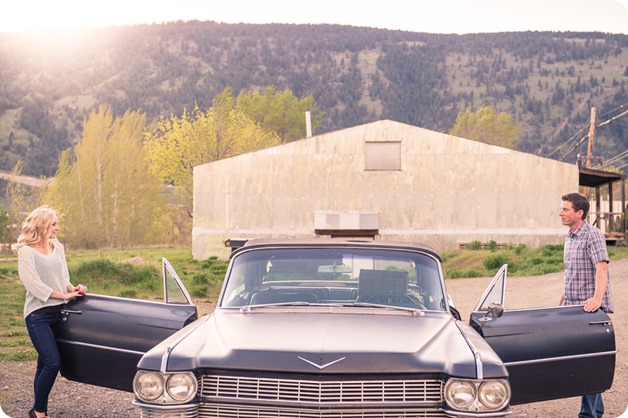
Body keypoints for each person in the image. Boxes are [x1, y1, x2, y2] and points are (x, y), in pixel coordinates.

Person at [14, 206, 87, 418]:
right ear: (42, 225)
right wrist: (63, 296)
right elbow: (33, 285)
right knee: (53, 362)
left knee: (44, 364)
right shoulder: (26, 252)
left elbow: (63, 278)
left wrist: (73, 289)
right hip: (38, 316)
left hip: (59, 315)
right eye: (54, 224)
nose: (57, 228)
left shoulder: (58, 247)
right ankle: (39, 412)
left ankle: (36, 410)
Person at [559, 192, 614, 418]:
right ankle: (595, 411)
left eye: (566, 209)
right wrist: (563, 296)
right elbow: (573, 270)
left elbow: (601, 267)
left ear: (579, 213)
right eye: (561, 209)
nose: (561, 213)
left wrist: (597, 300)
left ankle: (589, 415)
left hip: (588, 310)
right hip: (572, 308)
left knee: (589, 362)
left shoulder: (593, 235)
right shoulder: (570, 237)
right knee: (583, 361)